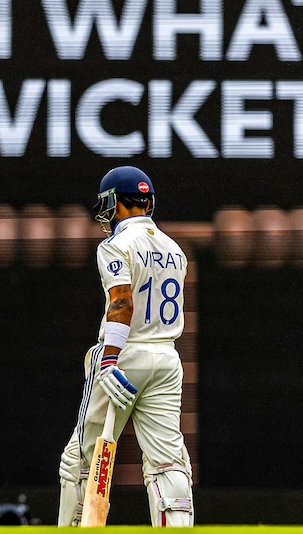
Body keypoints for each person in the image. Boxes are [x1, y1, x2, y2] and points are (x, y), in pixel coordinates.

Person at [57, 166, 194, 527]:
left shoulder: (116, 245)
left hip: (124, 355)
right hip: (166, 359)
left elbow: (121, 303)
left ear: (115, 203)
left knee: (80, 461)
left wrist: (109, 362)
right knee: (168, 463)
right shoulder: (175, 250)